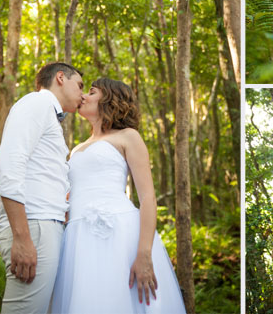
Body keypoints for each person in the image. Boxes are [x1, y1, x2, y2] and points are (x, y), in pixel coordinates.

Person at [51, 78, 185, 314]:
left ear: (110, 99)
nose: (84, 96)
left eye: (91, 92)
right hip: (78, 238)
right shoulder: (77, 148)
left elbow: (147, 198)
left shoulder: (128, 136)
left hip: (120, 234)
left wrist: (144, 253)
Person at [0, 62, 84, 314]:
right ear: (60, 78)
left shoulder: (48, 114)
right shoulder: (37, 103)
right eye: (79, 85)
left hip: (43, 225)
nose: (82, 94)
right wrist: (22, 237)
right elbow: (9, 166)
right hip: (34, 225)